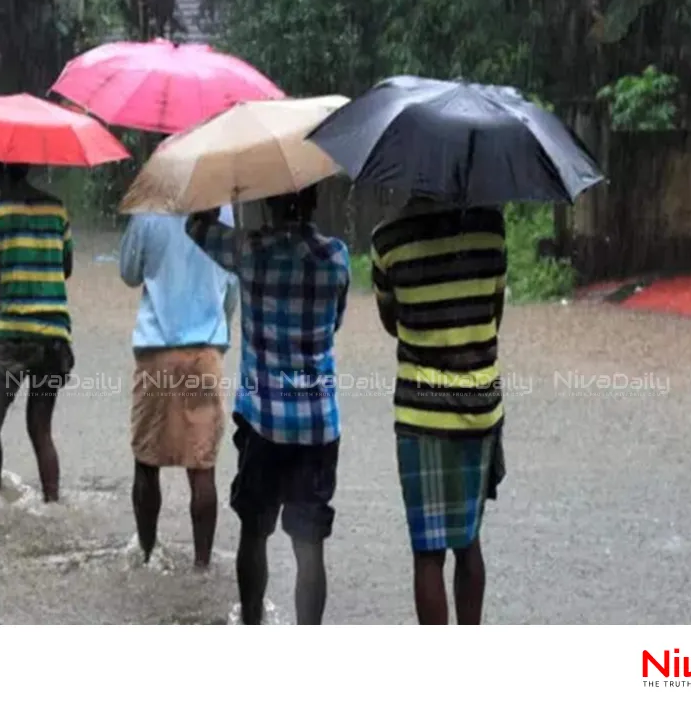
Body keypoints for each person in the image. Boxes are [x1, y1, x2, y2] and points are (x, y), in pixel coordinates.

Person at [186, 188, 350, 625]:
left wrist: (214, 177)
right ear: (315, 200)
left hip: (263, 423)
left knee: (254, 533)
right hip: (318, 424)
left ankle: (252, 623)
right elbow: (334, 322)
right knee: (309, 544)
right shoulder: (336, 257)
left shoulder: (248, 251)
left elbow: (196, 226)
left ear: (268, 203)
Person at [370, 197, 508, 625]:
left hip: (422, 414)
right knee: (469, 541)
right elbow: (494, 314)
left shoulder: (387, 240)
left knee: (427, 551)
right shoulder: (490, 228)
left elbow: (392, 321)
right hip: (480, 409)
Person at [119, 206, 239, 569]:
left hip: (156, 352)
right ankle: (201, 567)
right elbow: (232, 287)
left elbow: (128, 273)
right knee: (202, 467)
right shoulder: (228, 213)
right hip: (205, 352)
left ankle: (146, 552)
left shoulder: (149, 210)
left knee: (146, 460)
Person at [0, 161, 74, 504]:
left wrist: (1, 324)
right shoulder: (57, 210)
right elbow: (66, 267)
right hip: (55, 338)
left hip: (11, 334)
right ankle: (52, 504)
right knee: (41, 428)